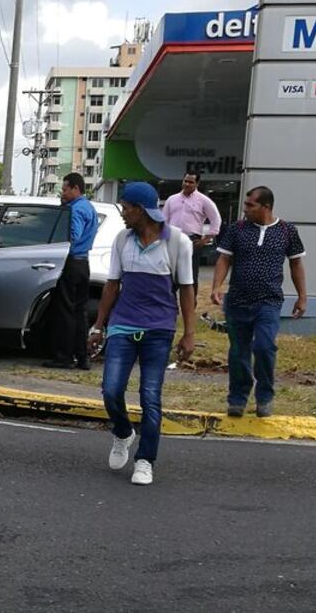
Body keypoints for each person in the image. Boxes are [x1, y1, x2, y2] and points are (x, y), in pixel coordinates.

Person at [89, 182, 195, 486]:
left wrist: (189, 333)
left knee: (150, 396)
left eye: (126, 207)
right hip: (124, 324)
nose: (122, 213)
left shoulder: (178, 242)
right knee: (111, 390)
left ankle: (146, 460)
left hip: (159, 328)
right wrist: (99, 326)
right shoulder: (122, 240)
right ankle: (123, 433)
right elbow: (112, 285)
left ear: (141, 210)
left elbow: (187, 290)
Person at [210, 186, 307, 418]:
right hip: (237, 302)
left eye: (250, 205)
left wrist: (302, 297)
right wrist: (216, 286)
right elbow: (224, 259)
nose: (245, 209)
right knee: (238, 353)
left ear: (266, 206)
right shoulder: (237, 229)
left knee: (264, 347)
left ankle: (264, 396)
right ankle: (238, 398)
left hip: (268, 302)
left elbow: (296, 264)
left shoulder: (286, 230)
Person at [43, 173, 99, 370]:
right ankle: (82, 357)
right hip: (84, 263)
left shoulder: (74, 210)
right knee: (80, 312)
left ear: (76, 188)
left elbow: (71, 236)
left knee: (65, 311)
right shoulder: (90, 208)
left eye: (65, 189)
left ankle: (64, 357)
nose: (63, 193)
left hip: (71, 262)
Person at [161, 172, 223, 293]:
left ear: (197, 183)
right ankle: (170, 303)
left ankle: (190, 306)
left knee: (190, 274)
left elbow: (216, 219)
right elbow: (164, 220)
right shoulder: (172, 199)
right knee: (169, 272)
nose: (187, 184)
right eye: (185, 181)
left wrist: (205, 239)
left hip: (192, 241)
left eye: (191, 182)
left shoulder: (204, 200)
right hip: (172, 239)